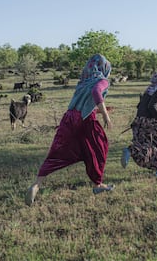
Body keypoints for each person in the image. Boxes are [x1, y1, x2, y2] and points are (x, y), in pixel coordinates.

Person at [25, 54, 114, 206]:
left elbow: (80, 104)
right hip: (85, 121)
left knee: (57, 151)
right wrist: (106, 116)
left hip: (69, 118)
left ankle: (36, 185)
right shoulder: (102, 81)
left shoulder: (83, 82)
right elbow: (96, 93)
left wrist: (98, 110)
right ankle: (98, 184)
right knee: (100, 147)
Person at [121, 71, 157, 177]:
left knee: (147, 145)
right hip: (149, 122)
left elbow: (140, 106)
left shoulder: (148, 90)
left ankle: (131, 150)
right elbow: (152, 107)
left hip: (139, 121)